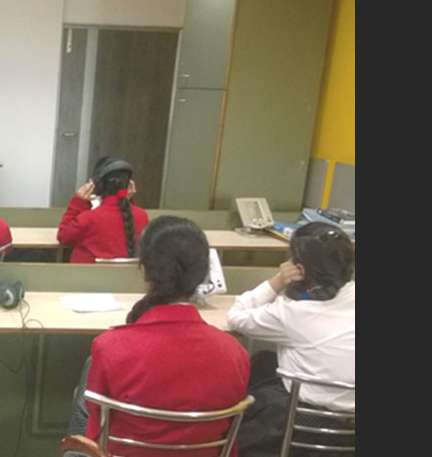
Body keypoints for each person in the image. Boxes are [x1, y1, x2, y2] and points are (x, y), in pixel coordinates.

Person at [83, 216, 250, 456]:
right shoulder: (236, 354)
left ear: (144, 272)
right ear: (202, 274)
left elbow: (96, 428)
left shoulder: (110, 348)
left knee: (85, 395)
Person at [228, 222, 355, 456]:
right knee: (267, 360)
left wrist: (277, 280)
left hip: (305, 426)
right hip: (351, 433)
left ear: (299, 269)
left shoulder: (292, 312)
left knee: (257, 366)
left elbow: (236, 317)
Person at [57, 158, 149, 263]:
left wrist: (78, 203)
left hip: (86, 278)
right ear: (128, 186)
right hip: (124, 279)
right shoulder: (142, 216)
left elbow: (64, 236)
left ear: (98, 187)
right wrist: (128, 200)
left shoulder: (89, 218)